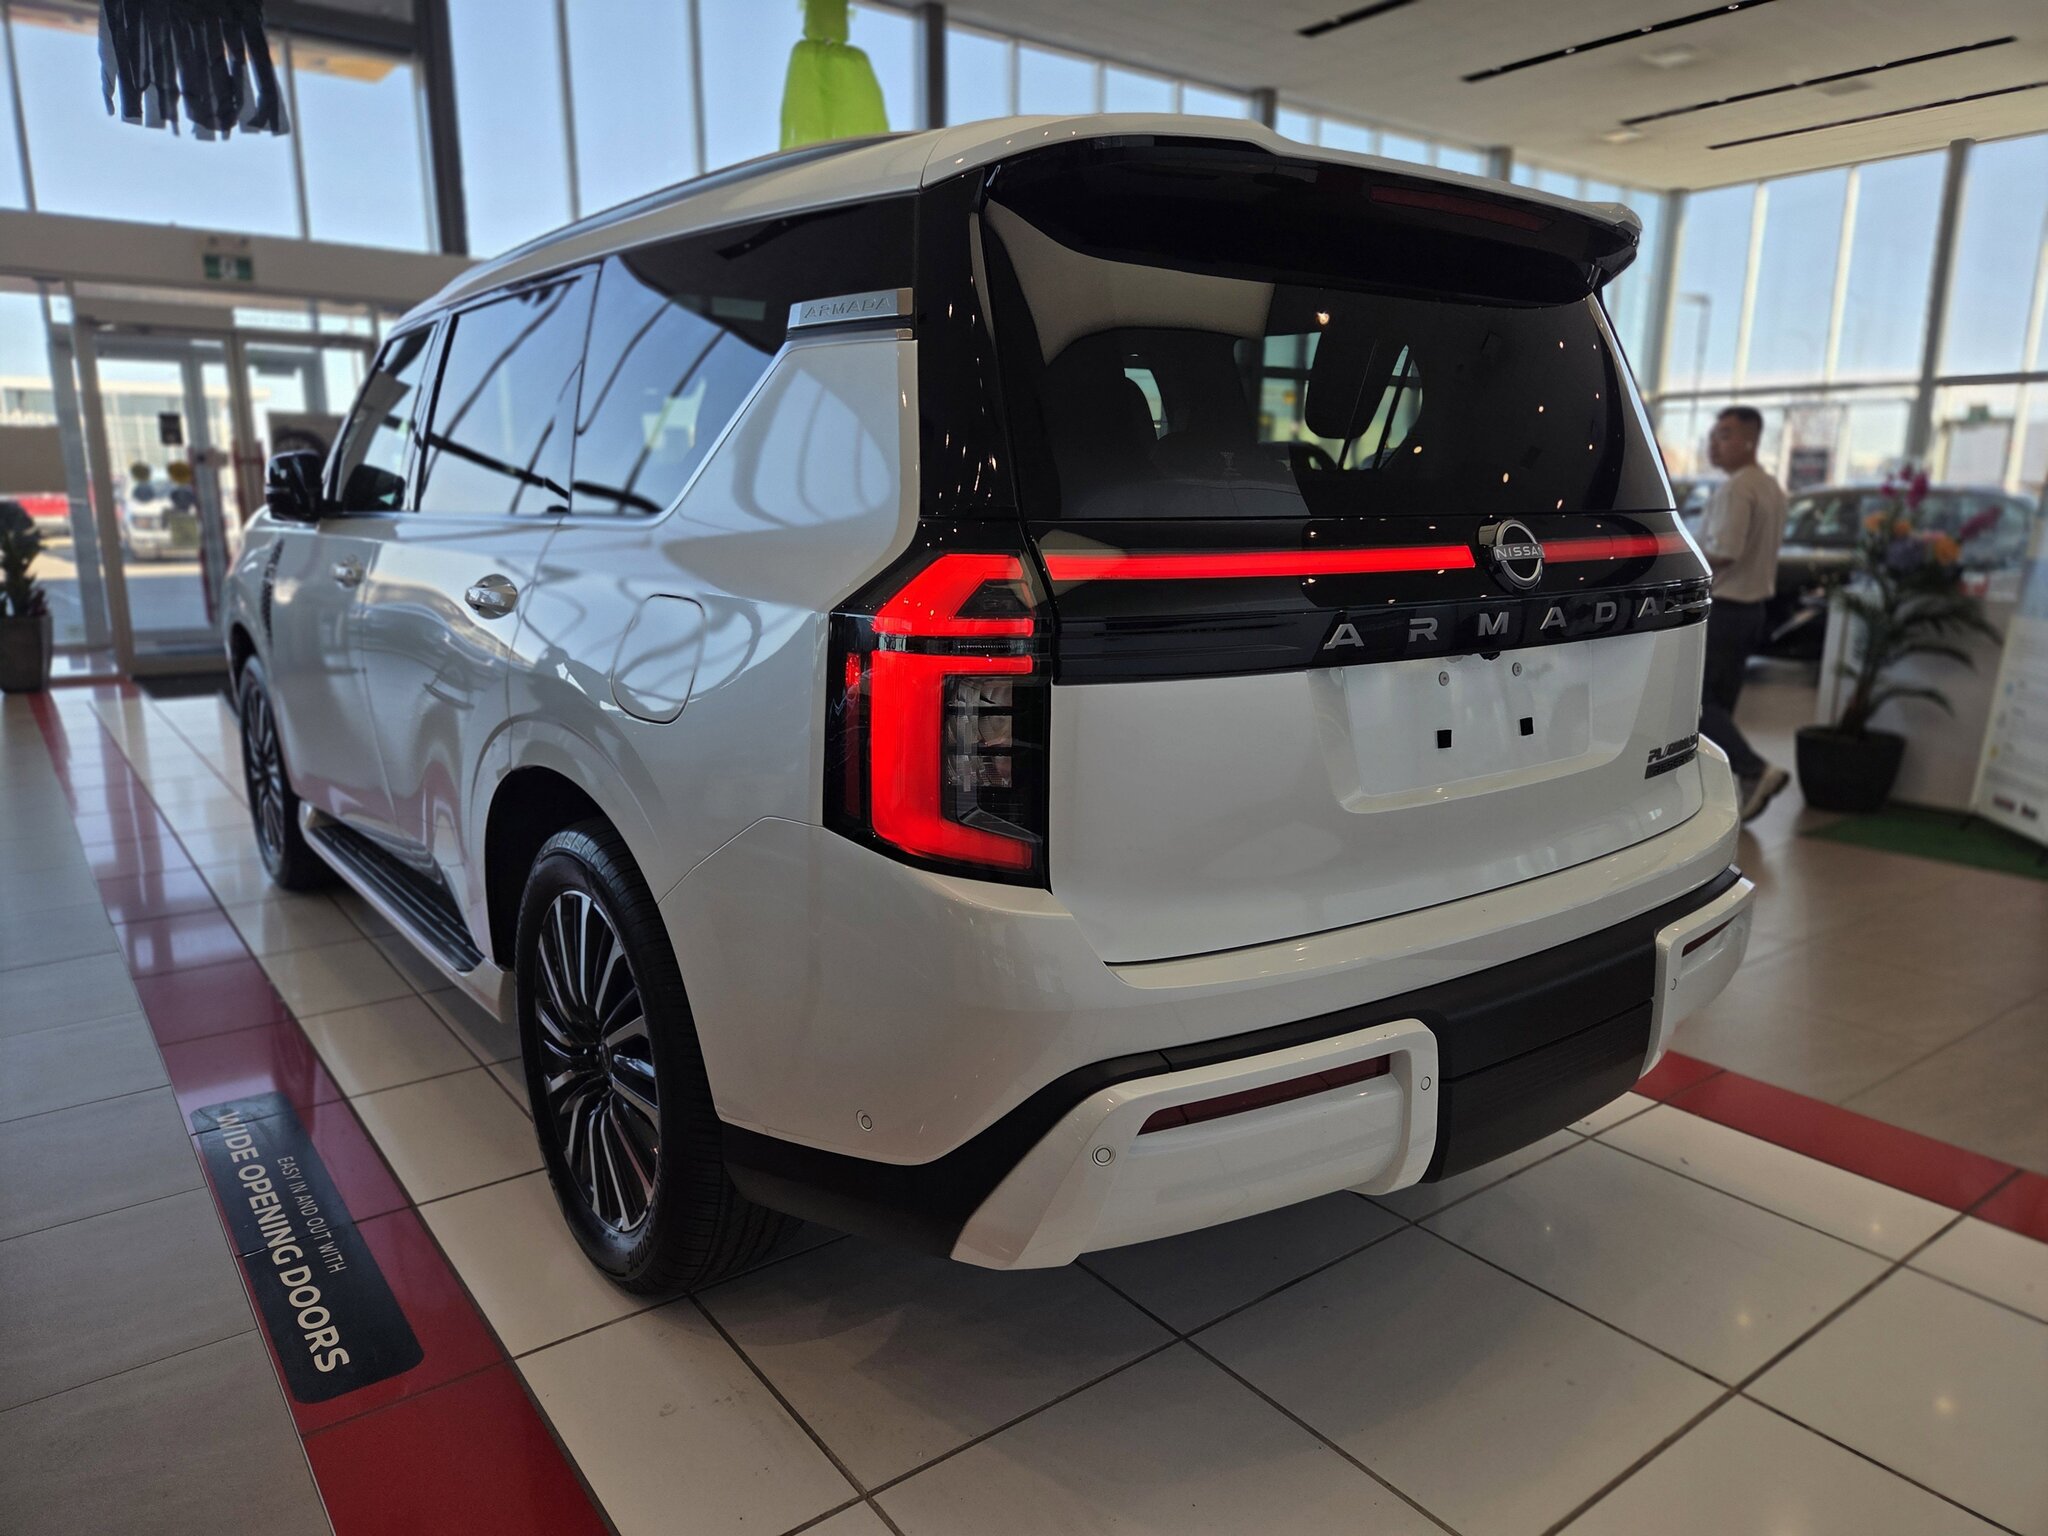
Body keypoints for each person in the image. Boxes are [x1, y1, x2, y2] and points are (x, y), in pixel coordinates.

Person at [1697, 406, 1790, 821]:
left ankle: (1754, 769)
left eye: (1725, 435)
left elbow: (1726, 552)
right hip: (1752, 611)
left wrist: (1684, 562)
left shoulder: (1737, 489)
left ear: (1749, 440)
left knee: (1698, 706)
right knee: (1721, 706)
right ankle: (1725, 791)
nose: (1714, 444)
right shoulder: (1770, 487)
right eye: (1713, 435)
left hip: (1726, 608)